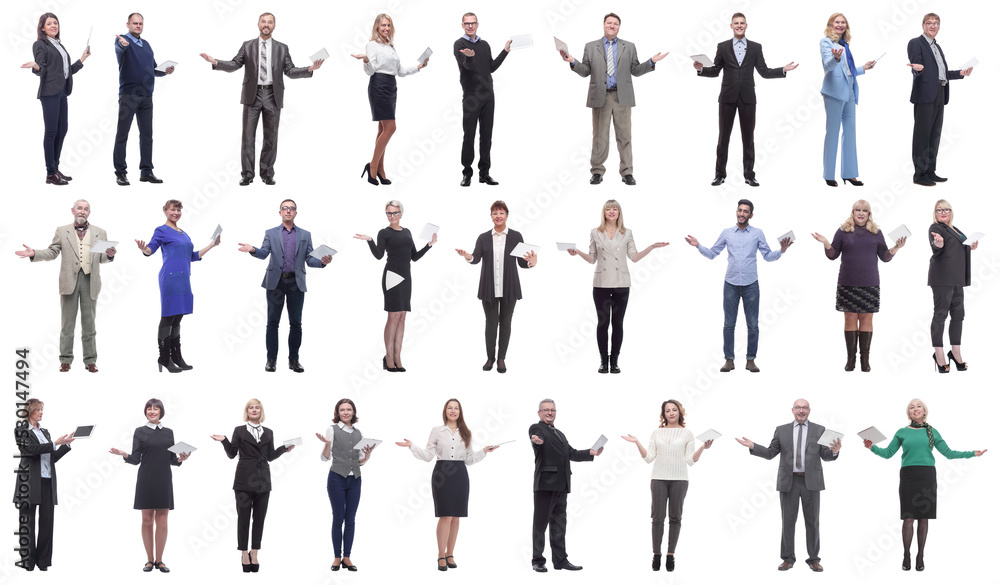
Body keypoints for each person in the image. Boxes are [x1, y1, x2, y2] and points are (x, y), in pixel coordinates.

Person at [199, 12, 323, 186]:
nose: (266, 25)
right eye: (263, 22)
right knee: (248, 138)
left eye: (270, 22)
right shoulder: (247, 46)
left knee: (271, 138)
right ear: (258, 24)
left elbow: (290, 71)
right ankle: (247, 174)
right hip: (252, 95)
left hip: (273, 95)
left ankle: (267, 174)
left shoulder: (282, 48)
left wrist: (309, 69)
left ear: (274, 26)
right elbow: (235, 64)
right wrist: (216, 62)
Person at [863, 398, 986, 571]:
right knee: (908, 518)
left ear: (924, 411)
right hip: (908, 476)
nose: (915, 408)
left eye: (918, 406)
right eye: (912, 407)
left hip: (927, 476)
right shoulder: (902, 432)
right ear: (909, 413)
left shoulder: (932, 431)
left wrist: (972, 453)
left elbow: (949, 453)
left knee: (923, 518)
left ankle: (920, 555)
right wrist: (872, 447)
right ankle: (906, 554)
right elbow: (888, 453)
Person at [685, 199, 791, 372]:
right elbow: (712, 253)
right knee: (729, 324)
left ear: (751, 215)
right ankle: (729, 360)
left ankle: (750, 360)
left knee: (753, 325)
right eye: (740, 210)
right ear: (736, 211)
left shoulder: (757, 233)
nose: (742, 214)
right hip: (731, 284)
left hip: (751, 285)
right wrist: (698, 246)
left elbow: (767, 256)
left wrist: (782, 251)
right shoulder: (727, 233)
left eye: (745, 211)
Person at [735, 399, 841, 572]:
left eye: (804, 407)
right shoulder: (781, 430)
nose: (801, 410)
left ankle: (813, 559)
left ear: (809, 410)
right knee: (788, 522)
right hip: (788, 482)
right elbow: (770, 453)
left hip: (811, 482)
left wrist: (835, 452)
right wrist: (753, 446)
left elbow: (826, 455)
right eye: (798, 408)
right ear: (792, 410)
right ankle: (788, 558)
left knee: (812, 522)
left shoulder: (820, 430)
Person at [559, 12, 665, 185]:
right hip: (600, 97)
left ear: (619, 27)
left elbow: (636, 70)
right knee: (599, 137)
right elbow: (585, 71)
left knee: (625, 136)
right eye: (609, 23)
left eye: (615, 23)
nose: (612, 26)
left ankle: (627, 172)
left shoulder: (629, 47)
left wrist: (651, 62)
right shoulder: (591, 46)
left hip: (622, 97)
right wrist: (572, 61)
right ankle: (597, 172)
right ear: (603, 25)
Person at [397, 399, 499, 570]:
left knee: (456, 516)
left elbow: (469, 459)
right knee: (445, 515)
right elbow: (428, 455)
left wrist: (484, 451)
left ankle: (450, 553)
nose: (453, 410)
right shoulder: (437, 431)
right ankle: (440, 554)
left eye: (456, 408)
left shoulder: (466, 432)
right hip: (442, 474)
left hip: (460, 475)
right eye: (450, 408)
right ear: (445, 411)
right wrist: (412, 446)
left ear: (460, 411)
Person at [695, 13, 796, 187]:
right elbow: (716, 70)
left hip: (748, 98)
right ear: (731, 26)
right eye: (736, 23)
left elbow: (764, 71)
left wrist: (783, 70)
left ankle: (749, 175)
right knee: (723, 138)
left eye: (742, 23)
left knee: (748, 138)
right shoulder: (723, 46)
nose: (739, 26)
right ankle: (719, 175)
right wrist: (701, 69)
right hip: (727, 97)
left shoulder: (756, 47)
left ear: (746, 25)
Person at [568, 199, 668, 373]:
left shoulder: (627, 233)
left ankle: (614, 361)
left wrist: (651, 247)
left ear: (619, 212)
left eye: (615, 209)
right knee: (602, 323)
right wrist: (577, 253)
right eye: (608, 209)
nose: (611, 212)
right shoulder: (595, 232)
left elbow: (634, 257)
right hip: (601, 284)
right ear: (604, 213)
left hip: (621, 283)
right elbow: (592, 259)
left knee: (618, 323)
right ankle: (603, 361)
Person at [16, 200, 116, 372]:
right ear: (72, 211)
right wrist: (35, 253)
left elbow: (102, 258)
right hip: (69, 282)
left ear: (89, 213)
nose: (82, 211)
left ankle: (90, 360)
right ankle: (65, 360)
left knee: (89, 325)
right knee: (67, 324)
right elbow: (53, 252)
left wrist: (110, 255)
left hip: (90, 281)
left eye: (86, 209)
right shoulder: (62, 231)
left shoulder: (101, 232)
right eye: (79, 208)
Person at [237, 199, 331, 373]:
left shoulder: (305, 235)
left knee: (296, 323)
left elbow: (309, 260)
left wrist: (322, 262)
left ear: (296, 212)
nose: (288, 211)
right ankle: (271, 360)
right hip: (276, 282)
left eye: (292, 208)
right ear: (279, 212)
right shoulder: (270, 233)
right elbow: (264, 253)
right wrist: (253, 249)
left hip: (296, 283)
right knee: (273, 322)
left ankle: (293, 360)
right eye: (285, 208)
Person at [810, 200, 905, 372]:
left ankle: (865, 360)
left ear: (869, 214)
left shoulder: (876, 232)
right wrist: (825, 243)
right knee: (850, 319)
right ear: (852, 212)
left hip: (869, 282)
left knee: (867, 319)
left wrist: (895, 248)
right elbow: (833, 255)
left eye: (865, 211)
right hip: (848, 282)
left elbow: (884, 257)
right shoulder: (843, 231)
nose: (861, 213)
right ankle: (851, 359)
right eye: (857, 210)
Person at [622, 400, 712, 572]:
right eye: (667, 410)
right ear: (663, 414)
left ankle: (670, 555)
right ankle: (656, 555)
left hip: (680, 479)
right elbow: (649, 458)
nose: (671, 413)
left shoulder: (687, 433)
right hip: (658, 479)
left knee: (675, 518)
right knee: (657, 518)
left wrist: (702, 448)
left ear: (679, 412)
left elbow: (690, 461)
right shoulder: (656, 433)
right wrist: (636, 442)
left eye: (674, 410)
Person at [135, 200, 220, 373]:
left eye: (179, 210)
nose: (176, 212)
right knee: (168, 316)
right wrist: (144, 250)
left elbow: (192, 256)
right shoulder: (161, 230)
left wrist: (212, 245)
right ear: (165, 211)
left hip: (184, 279)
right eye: (173, 209)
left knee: (178, 317)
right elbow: (151, 249)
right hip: (170, 278)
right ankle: (164, 358)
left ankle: (177, 356)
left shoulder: (184, 233)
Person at [110, 398, 192, 573]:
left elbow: (172, 459)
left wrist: (180, 459)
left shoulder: (169, 432)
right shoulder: (140, 431)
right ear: (145, 411)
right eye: (149, 409)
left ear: (161, 412)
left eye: (156, 409)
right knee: (147, 520)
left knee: (162, 520)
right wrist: (124, 454)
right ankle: (149, 560)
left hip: (163, 479)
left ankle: (160, 561)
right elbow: (135, 459)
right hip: (146, 479)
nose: (152, 411)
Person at [456, 201, 538, 373]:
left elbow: (522, 263)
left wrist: (532, 263)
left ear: (507, 215)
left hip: (509, 287)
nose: (498, 216)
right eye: (495, 213)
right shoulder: (483, 237)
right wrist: (468, 256)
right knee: (491, 323)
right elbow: (476, 258)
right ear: (491, 216)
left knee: (506, 323)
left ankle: (501, 359)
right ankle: (490, 358)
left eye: (501, 213)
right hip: (488, 287)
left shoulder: (516, 236)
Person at [210, 399, 292, 572]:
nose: (254, 410)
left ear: (261, 411)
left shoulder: (268, 432)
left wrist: (284, 449)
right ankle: (243, 552)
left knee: (260, 518)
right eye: (251, 408)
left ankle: (255, 551)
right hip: (244, 479)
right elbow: (232, 454)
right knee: (243, 518)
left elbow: (269, 456)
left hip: (263, 479)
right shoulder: (239, 430)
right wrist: (224, 440)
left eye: (257, 407)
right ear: (246, 411)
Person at [354, 200, 436, 372]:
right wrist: (369, 240)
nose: (392, 216)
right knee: (393, 317)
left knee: (402, 317)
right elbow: (378, 255)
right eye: (389, 213)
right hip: (392, 276)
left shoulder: (407, 232)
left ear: (401, 214)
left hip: (406, 277)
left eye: (395, 213)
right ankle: (389, 357)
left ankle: (398, 356)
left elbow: (414, 256)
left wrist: (429, 245)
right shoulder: (384, 232)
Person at [352, 13, 429, 186]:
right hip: (378, 85)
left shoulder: (391, 47)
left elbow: (399, 71)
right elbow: (370, 71)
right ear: (377, 28)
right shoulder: (372, 45)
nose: (386, 28)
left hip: (391, 86)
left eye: (388, 25)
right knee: (391, 127)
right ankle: (372, 166)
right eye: (383, 26)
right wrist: (365, 60)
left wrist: (418, 67)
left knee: (382, 129)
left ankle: (380, 169)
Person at [529, 398, 602, 572]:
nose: (549, 413)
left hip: (562, 486)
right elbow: (535, 436)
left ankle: (560, 560)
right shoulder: (536, 428)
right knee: (540, 525)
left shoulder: (560, 434)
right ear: (539, 413)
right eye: (545, 410)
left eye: (552, 410)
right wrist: (535, 440)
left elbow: (572, 453)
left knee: (559, 526)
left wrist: (590, 452)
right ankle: (537, 560)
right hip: (545, 485)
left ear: (555, 412)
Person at [22, 12, 90, 185]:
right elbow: (42, 69)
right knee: (51, 132)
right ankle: (50, 173)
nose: (54, 26)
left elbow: (66, 72)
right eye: (49, 23)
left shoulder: (60, 45)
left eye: (56, 23)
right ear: (43, 28)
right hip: (49, 93)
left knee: (62, 130)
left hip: (62, 92)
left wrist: (83, 58)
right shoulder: (40, 44)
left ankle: (55, 168)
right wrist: (36, 66)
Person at [907, 13, 973, 187]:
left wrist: (960, 73)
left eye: (936, 23)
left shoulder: (937, 46)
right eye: (929, 23)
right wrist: (918, 70)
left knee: (934, 135)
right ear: (923, 25)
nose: (933, 26)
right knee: (922, 135)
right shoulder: (916, 42)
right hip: (925, 94)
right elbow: (917, 66)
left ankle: (930, 171)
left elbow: (941, 73)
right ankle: (919, 175)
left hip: (940, 92)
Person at [112, 12, 174, 186]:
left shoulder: (146, 45)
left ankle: (146, 171)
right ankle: (121, 173)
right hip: (129, 95)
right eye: (135, 23)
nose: (138, 26)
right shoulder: (122, 40)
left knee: (147, 135)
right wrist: (123, 44)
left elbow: (152, 69)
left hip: (147, 96)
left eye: (140, 24)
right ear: (128, 24)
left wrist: (164, 71)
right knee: (122, 134)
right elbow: (120, 47)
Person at [13, 399, 74, 571]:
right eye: (38, 409)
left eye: (42, 410)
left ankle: (43, 562)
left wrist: (65, 445)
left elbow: (51, 457)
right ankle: (28, 562)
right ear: (29, 411)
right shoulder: (21, 430)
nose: (41, 412)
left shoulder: (45, 432)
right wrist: (55, 443)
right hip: (29, 482)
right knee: (27, 523)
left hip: (47, 481)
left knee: (47, 522)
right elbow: (30, 450)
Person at [317, 398, 376, 572]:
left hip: (355, 479)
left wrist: (368, 455)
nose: (345, 412)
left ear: (353, 412)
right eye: (342, 410)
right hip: (337, 478)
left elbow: (359, 461)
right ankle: (337, 557)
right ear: (338, 412)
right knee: (338, 517)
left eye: (349, 409)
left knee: (350, 519)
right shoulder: (332, 429)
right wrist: (327, 445)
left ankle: (347, 557)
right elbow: (324, 458)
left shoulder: (359, 433)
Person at [454, 12, 510, 186]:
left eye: (473, 23)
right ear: (462, 25)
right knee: (469, 135)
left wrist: (505, 51)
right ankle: (467, 174)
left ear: (477, 24)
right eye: (466, 23)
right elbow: (467, 67)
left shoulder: (484, 45)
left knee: (486, 136)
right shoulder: (459, 44)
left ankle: (484, 173)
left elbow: (491, 67)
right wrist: (469, 58)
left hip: (488, 95)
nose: (470, 26)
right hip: (471, 96)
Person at [820, 13, 875, 187]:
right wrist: (835, 58)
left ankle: (850, 174)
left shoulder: (845, 44)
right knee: (833, 133)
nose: (840, 25)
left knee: (850, 134)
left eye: (843, 22)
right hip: (835, 92)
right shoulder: (826, 42)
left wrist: (863, 68)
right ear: (831, 24)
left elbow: (848, 71)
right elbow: (828, 65)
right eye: (837, 22)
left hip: (850, 91)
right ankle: (829, 174)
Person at [928, 199, 977, 372]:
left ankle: (955, 352)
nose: (943, 212)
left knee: (958, 315)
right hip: (942, 279)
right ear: (935, 213)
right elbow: (938, 246)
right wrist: (938, 243)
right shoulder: (935, 229)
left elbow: (959, 247)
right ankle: (939, 354)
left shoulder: (954, 228)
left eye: (946, 209)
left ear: (951, 212)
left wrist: (970, 246)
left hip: (957, 279)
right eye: (939, 210)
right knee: (940, 315)